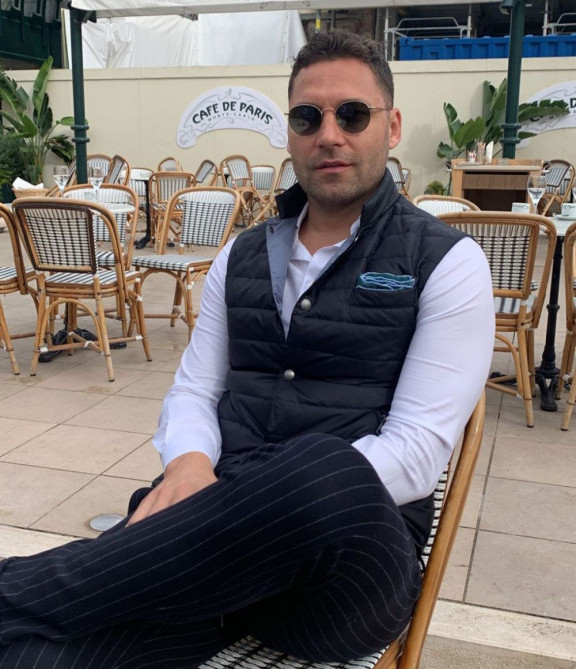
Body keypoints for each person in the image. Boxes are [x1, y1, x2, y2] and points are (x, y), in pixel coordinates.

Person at [0, 30, 494, 668]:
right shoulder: (243, 253)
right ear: (290, 132)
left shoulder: (447, 262)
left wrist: (247, 504)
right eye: (308, 117)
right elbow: (196, 388)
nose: (329, 134)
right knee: (31, 657)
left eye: (352, 114)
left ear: (391, 127)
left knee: (323, 464)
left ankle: (13, 589)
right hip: (220, 556)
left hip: (343, 574)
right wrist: (187, 466)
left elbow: (418, 453)